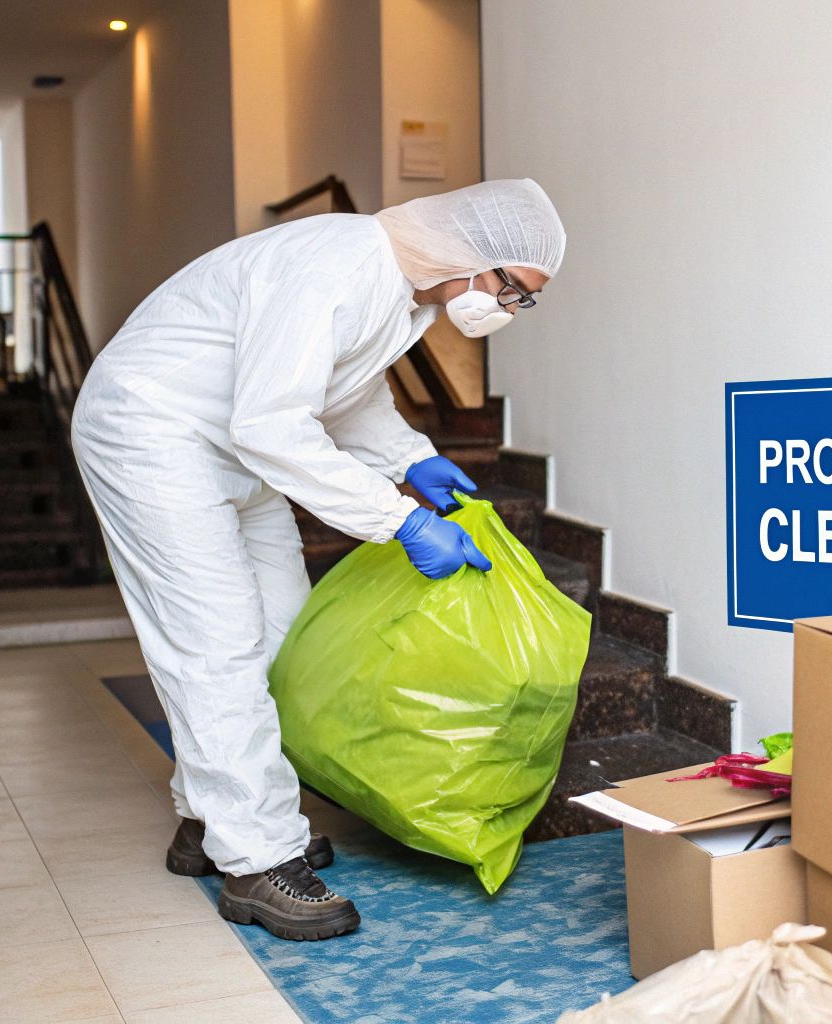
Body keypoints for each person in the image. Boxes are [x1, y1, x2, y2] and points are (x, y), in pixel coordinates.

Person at [70, 179, 565, 941]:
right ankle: (256, 863)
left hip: (228, 440)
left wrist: (411, 459)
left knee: (282, 631)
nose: (507, 309)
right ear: (474, 253)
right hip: (153, 432)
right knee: (216, 642)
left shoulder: (406, 295)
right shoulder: (335, 265)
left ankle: (211, 822)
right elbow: (274, 424)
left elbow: (347, 393)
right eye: (512, 290)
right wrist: (400, 520)